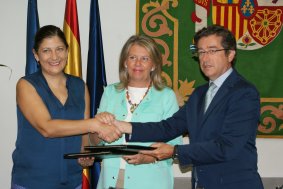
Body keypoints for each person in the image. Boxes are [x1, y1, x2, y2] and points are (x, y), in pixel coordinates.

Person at [112, 25, 264, 189]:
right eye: (201, 52)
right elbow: (169, 127)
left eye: (212, 51)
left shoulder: (244, 93)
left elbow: (227, 147)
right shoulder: (200, 94)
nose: (205, 58)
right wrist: (124, 127)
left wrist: (175, 151)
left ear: (230, 54)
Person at [11, 25, 121, 189]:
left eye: (59, 49)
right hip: (32, 181)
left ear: (67, 51)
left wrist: (86, 153)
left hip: (72, 181)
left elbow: (84, 135)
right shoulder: (26, 85)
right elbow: (47, 127)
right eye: (46, 50)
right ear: (36, 55)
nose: (54, 56)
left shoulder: (80, 86)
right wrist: (93, 123)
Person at [92, 35, 182, 189]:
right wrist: (96, 126)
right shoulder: (110, 92)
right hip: (112, 179)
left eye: (145, 58)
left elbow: (174, 147)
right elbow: (96, 144)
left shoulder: (167, 96)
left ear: (154, 65)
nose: (138, 63)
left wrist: (147, 157)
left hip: (150, 180)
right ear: (125, 62)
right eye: (132, 57)